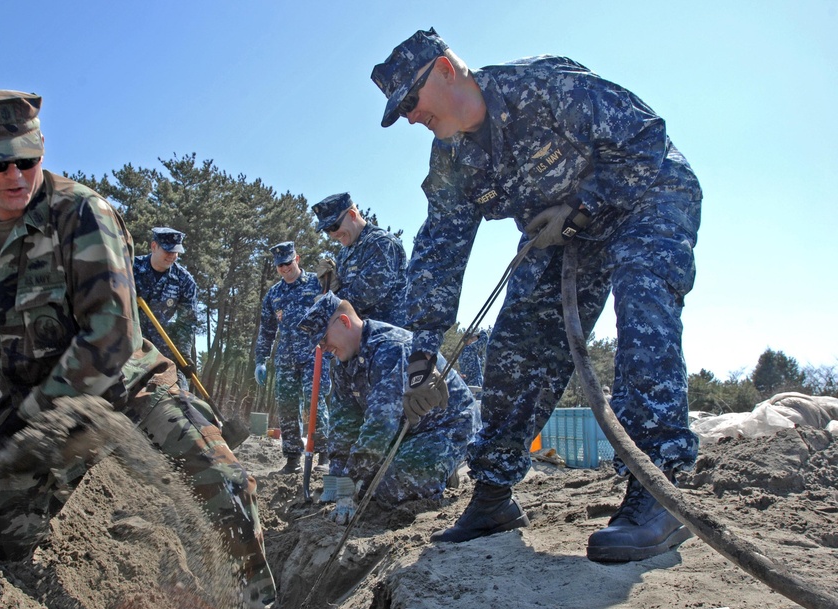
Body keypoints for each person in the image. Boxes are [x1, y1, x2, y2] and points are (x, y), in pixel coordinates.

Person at [0, 90, 274, 609]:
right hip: (24, 398)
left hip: (125, 385)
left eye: (29, 158)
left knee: (226, 486)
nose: (17, 175)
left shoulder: (84, 215)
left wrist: (35, 429)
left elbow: (109, 338)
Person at [372, 29, 702, 562]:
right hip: (562, 232)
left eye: (411, 100)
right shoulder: (452, 155)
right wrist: (421, 356)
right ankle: (494, 496)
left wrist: (588, 204)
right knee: (518, 343)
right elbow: (439, 251)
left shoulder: (543, 85)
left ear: (445, 69)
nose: (410, 116)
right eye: (401, 112)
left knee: (642, 302)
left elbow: (644, 137)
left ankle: (658, 490)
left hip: (646, 195)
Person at [297, 292, 478, 523]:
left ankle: (446, 466)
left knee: (391, 490)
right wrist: (338, 479)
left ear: (344, 322)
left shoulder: (391, 349)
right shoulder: (342, 364)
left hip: (446, 427)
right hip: (405, 433)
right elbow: (344, 424)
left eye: (323, 339)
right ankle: (428, 463)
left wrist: (350, 483)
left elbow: (381, 425)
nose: (323, 347)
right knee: (367, 487)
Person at [254, 242, 331, 474]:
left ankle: (324, 454)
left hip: (313, 354)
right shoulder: (274, 294)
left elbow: (332, 313)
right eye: (279, 266)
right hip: (286, 359)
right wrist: (261, 359)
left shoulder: (317, 284)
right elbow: (267, 329)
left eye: (288, 263)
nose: (284, 268)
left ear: (297, 259)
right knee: (287, 407)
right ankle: (292, 459)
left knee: (314, 400)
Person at [311, 192, 408, 326]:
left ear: (352, 214)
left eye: (334, 226)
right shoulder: (345, 252)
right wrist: (330, 286)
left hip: (387, 337)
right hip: (359, 337)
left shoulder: (381, 243)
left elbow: (366, 294)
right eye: (327, 230)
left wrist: (328, 301)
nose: (333, 234)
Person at [133, 227, 200, 391]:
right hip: (129, 339)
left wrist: (184, 355)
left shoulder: (184, 280)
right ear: (154, 246)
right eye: (167, 250)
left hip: (161, 346)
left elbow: (187, 322)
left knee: (179, 392)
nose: (172, 256)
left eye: (176, 252)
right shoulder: (130, 268)